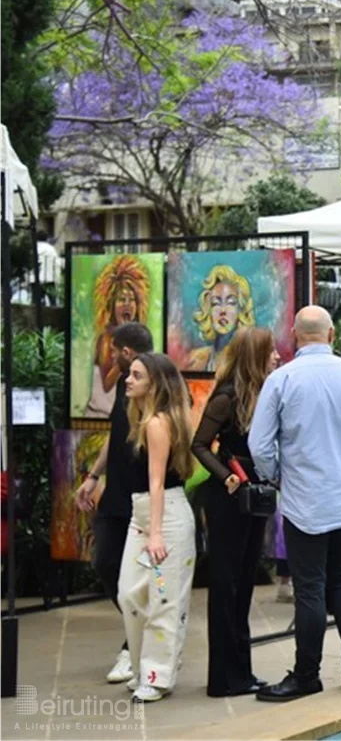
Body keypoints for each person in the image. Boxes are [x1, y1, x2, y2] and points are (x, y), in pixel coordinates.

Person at [250, 306, 341, 702]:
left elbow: (260, 445)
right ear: (331, 335)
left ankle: (307, 674)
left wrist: (276, 475)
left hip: (305, 499)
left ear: (294, 336)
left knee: (309, 587)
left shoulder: (282, 379)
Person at [191, 327, 279, 697]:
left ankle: (241, 672)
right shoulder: (227, 396)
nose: (277, 357)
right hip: (229, 497)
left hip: (254, 495)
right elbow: (199, 444)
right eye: (270, 351)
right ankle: (224, 678)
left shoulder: (264, 393)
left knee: (243, 582)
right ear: (255, 356)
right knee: (226, 583)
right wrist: (226, 476)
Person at [73, 322, 154, 685]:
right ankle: (141, 632)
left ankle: (134, 646)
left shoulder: (157, 386)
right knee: (106, 562)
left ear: (126, 351)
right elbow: (115, 434)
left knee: (140, 576)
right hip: (115, 494)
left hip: (143, 496)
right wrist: (93, 476)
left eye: (114, 350)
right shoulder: (125, 385)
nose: (111, 356)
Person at [116, 353, 198, 702]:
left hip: (165, 517)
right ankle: (141, 667)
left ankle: (156, 675)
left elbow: (157, 480)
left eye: (137, 375)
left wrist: (156, 533)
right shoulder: (141, 419)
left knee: (164, 597)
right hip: (144, 515)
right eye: (130, 374)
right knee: (129, 593)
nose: (128, 380)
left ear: (154, 384)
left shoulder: (157, 423)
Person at [86, 256, 153, 417]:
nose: (127, 304)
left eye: (132, 300)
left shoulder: (139, 336)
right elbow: (107, 385)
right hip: (100, 415)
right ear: (111, 305)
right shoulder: (106, 340)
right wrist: (124, 359)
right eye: (122, 299)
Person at [187, 265, 255, 372]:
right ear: (208, 310)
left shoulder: (250, 359)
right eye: (216, 303)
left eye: (230, 303)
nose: (223, 310)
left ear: (240, 310)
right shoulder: (195, 360)